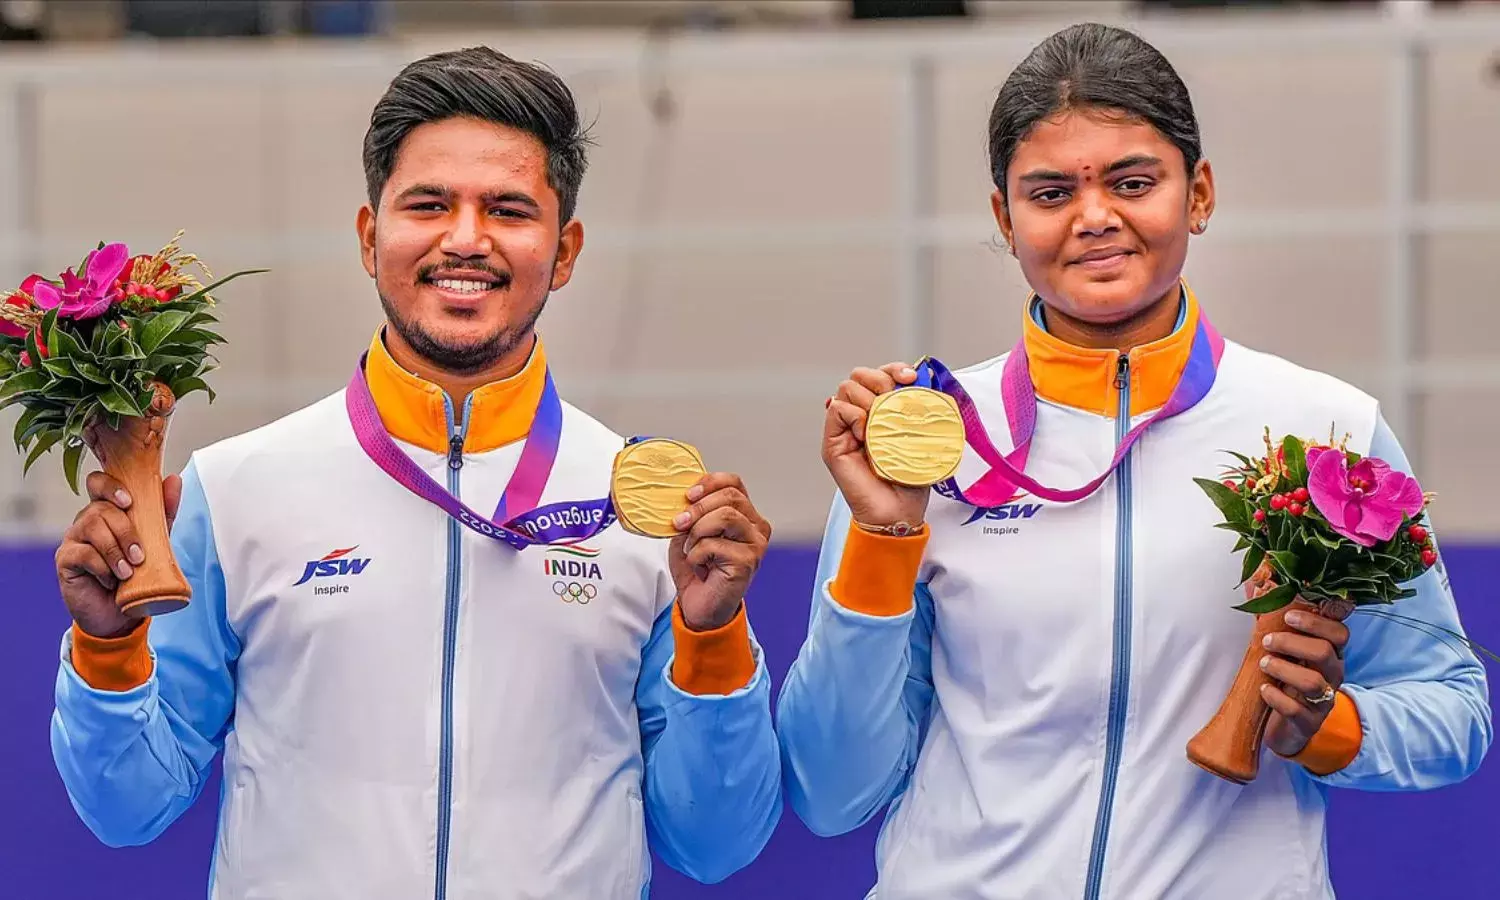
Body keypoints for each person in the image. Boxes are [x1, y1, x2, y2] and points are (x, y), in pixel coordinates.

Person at [777, 22, 1490, 900]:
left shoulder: (1324, 430)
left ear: (1199, 194)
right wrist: (883, 539)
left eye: (1133, 182)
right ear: (1005, 220)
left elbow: (1452, 707)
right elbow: (831, 791)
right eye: (1050, 193)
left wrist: (1328, 727)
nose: (1094, 217)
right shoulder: (926, 446)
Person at [49, 46, 781, 899]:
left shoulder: (647, 511)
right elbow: (127, 807)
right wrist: (107, 649)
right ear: (371, 236)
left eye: (508, 209)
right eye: (429, 204)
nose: (465, 239)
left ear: (565, 250)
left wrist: (712, 638)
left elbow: (716, 844)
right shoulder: (236, 489)